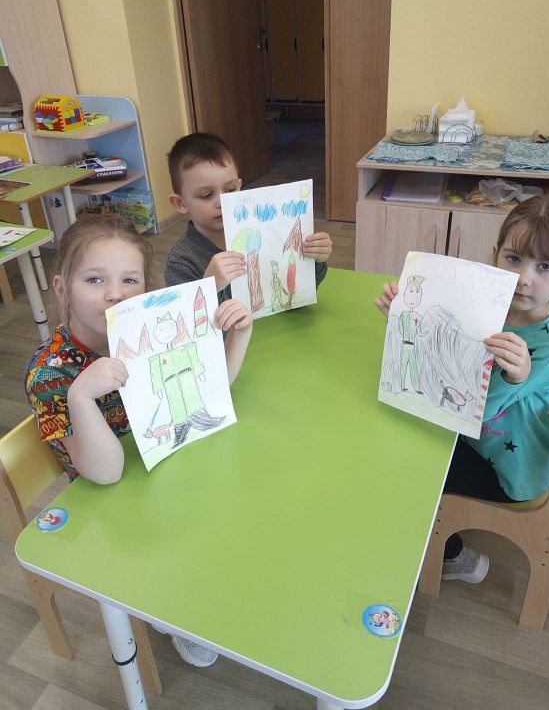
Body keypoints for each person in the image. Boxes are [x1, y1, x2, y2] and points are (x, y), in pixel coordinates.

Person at [25, 213, 253, 667]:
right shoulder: (50, 373)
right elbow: (107, 473)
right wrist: (82, 395)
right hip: (112, 504)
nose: (115, 293)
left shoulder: (144, 331)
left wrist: (240, 334)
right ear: (62, 288)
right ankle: (168, 611)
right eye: (95, 279)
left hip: (166, 465)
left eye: (129, 279)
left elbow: (207, 392)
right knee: (176, 547)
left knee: (235, 502)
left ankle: (203, 580)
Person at [375, 194, 549, 583]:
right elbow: (445, 354)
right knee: (398, 437)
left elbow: (472, 409)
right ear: (495, 255)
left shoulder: (546, 351)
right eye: (514, 258)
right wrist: (405, 316)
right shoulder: (488, 306)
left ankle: (458, 558)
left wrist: (514, 377)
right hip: (479, 440)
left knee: (410, 470)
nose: (524, 277)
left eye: (544, 266)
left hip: (508, 470)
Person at [164, 132, 333, 298]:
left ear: (239, 186)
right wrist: (210, 286)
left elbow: (297, 293)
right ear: (181, 203)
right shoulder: (181, 261)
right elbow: (186, 315)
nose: (222, 202)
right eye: (206, 195)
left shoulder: (264, 234)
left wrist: (315, 259)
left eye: (231, 190)